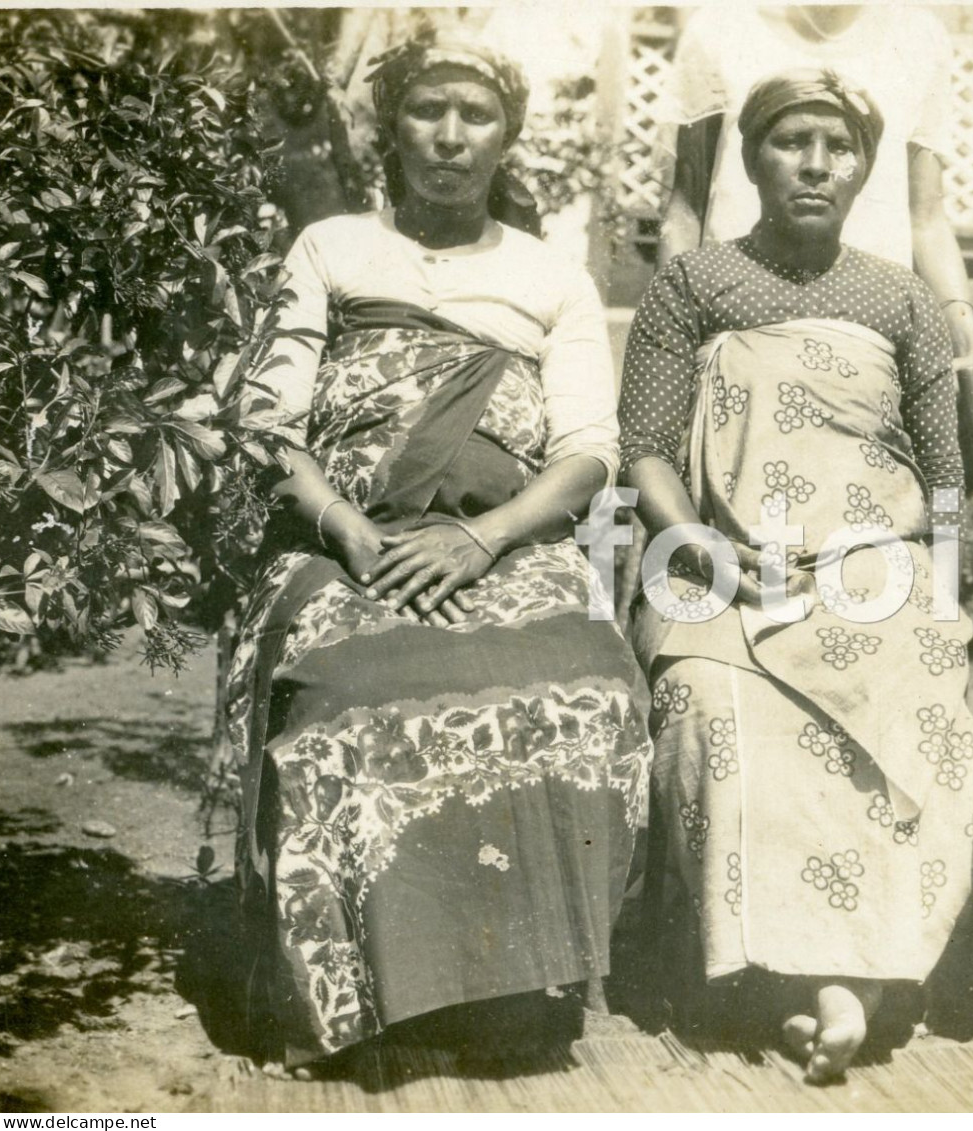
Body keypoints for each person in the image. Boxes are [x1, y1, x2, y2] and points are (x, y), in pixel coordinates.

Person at [223, 32, 652, 1072]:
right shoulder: (331, 248)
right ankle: (364, 990)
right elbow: (269, 427)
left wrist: (483, 537)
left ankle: (514, 975)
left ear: (506, 137)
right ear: (390, 126)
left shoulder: (547, 276)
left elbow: (591, 448)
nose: (449, 137)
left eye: (475, 116)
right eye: (427, 111)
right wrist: (350, 533)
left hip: (502, 540)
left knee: (588, 679)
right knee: (338, 688)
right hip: (345, 536)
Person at [619, 71, 973, 1083]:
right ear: (750, 158)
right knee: (708, 704)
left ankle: (857, 978)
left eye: (839, 145)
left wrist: (954, 594)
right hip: (723, 560)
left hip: (877, 565)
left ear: (866, 166)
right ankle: (800, 980)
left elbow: (944, 473)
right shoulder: (692, 287)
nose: (816, 164)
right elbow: (644, 446)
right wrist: (693, 541)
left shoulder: (899, 296)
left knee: (923, 709)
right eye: (791, 142)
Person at [657, 4, 973, 372]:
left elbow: (925, 216)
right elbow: (686, 207)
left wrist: (959, 315)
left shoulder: (919, 37)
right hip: (738, 325)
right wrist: (669, 326)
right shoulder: (720, 27)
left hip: (870, 332)